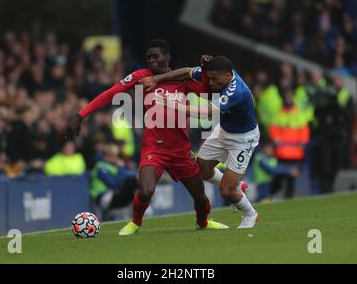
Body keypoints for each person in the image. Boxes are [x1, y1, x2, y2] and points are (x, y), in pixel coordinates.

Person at [65, 39, 228, 235]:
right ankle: (135, 223)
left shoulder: (182, 79)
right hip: (154, 148)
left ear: (167, 58)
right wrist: (80, 115)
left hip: (181, 150)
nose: (151, 60)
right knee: (145, 191)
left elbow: (206, 93)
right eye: (148, 57)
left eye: (155, 57)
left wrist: (204, 69)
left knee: (200, 197)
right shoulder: (142, 77)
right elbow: (110, 93)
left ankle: (203, 223)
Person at [140, 55, 260, 228]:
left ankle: (250, 214)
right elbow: (186, 72)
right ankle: (238, 186)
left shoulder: (236, 91)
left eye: (214, 79)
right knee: (201, 170)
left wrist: (172, 104)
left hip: (243, 139)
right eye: (209, 78)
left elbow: (207, 112)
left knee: (226, 190)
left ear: (227, 75)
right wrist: (156, 78)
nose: (209, 83)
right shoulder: (219, 75)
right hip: (223, 131)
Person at [90, 144, 138, 220]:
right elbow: (114, 184)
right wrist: (121, 167)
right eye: (111, 155)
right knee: (129, 184)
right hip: (102, 197)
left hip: (114, 195)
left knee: (133, 182)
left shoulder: (114, 167)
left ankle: (139, 209)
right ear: (105, 155)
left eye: (115, 155)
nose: (114, 158)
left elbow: (131, 176)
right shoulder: (101, 167)